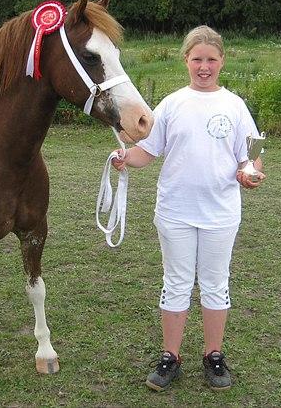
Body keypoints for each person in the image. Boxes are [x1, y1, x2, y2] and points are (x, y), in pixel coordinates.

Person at [111, 25, 266, 391]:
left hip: (220, 214)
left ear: (222, 61)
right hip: (175, 212)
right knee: (176, 283)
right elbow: (148, 152)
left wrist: (251, 173)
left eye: (211, 59)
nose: (204, 66)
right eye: (197, 59)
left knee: (215, 284)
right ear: (186, 60)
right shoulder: (171, 104)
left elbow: (253, 153)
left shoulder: (235, 105)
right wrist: (124, 157)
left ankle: (214, 355)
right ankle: (170, 357)